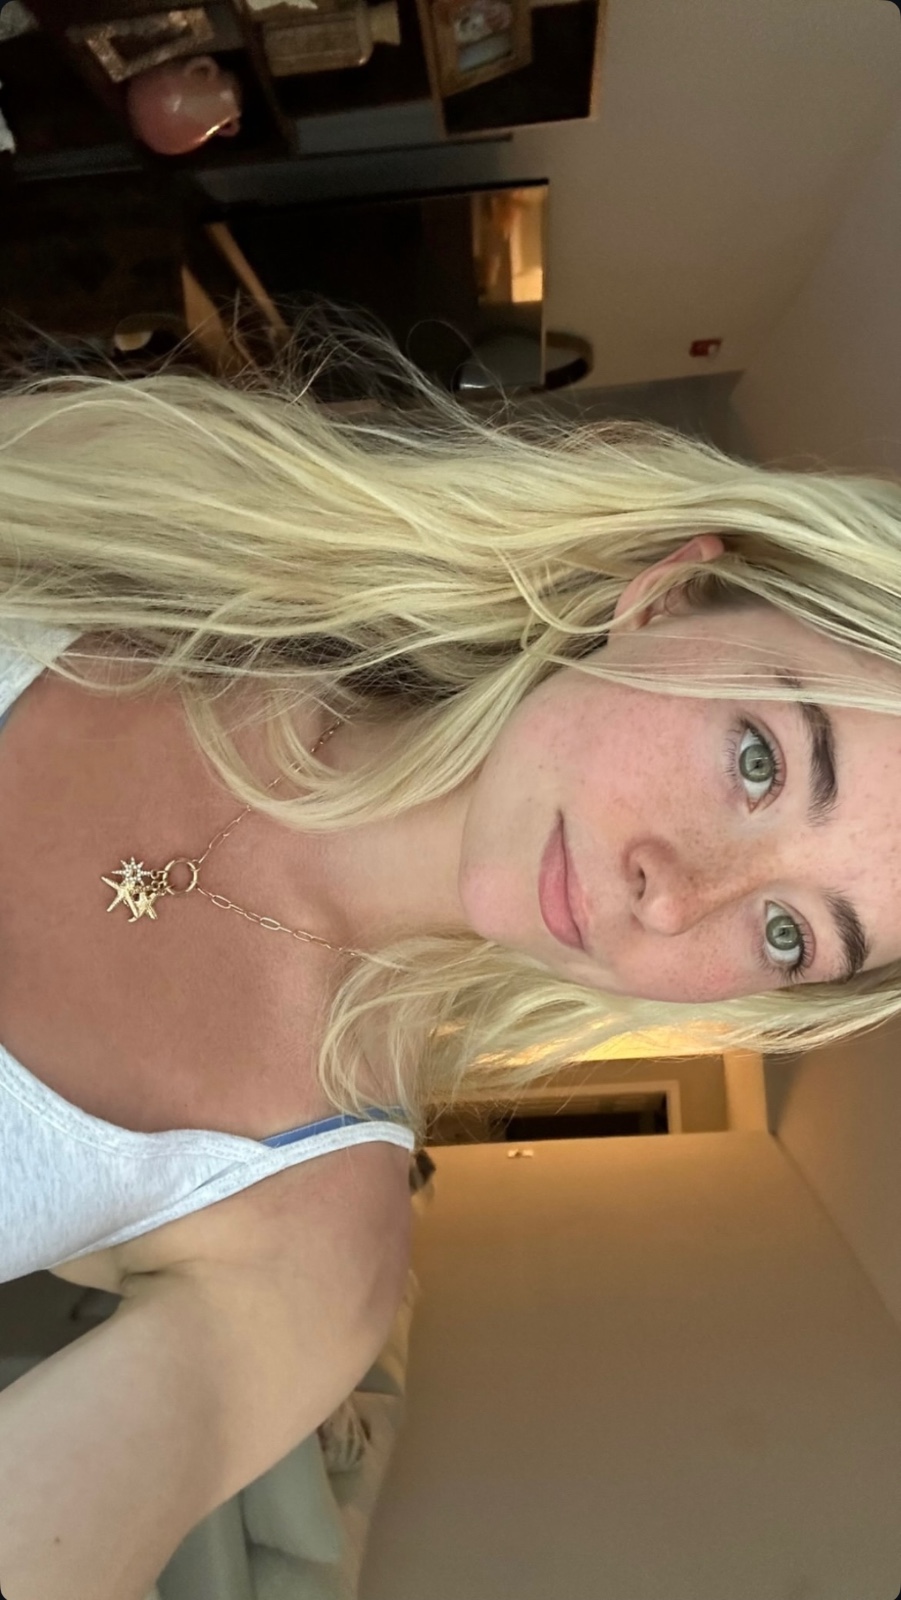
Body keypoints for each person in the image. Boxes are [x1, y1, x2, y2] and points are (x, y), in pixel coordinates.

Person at [2, 330, 901, 1599]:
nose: (681, 894)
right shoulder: (180, 517)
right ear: (667, 600)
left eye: (788, 933)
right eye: (759, 761)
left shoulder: (310, 1252)